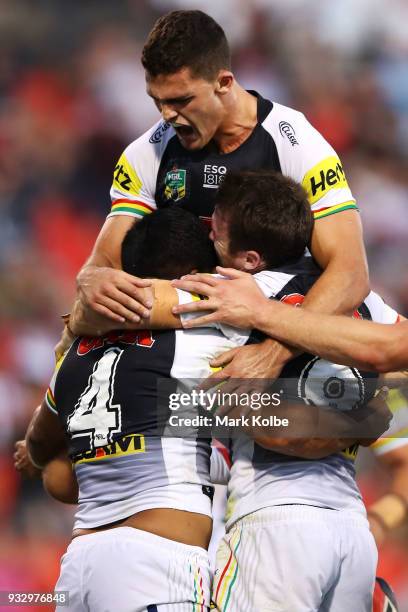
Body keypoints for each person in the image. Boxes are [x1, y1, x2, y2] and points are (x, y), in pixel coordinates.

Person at [70, 171, 396, 611]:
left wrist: (84, 294)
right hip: (351, 528)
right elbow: (393, 371)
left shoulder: (237, 294)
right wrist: (369, 416)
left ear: (249, 259)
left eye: (216, 235)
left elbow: (124, 305)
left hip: (274, 519)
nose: (208, 242)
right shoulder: (360, 300)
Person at [74, 8, 369, 389]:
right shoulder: (146, 153)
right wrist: (92, 276)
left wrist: (273, 353)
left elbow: (351, 273)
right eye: (157, 100)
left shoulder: (297, 144)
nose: (168, 115)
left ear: (224, 82)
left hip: (283, 337)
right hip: (187, 338)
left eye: (180, 100)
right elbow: (106, 264)